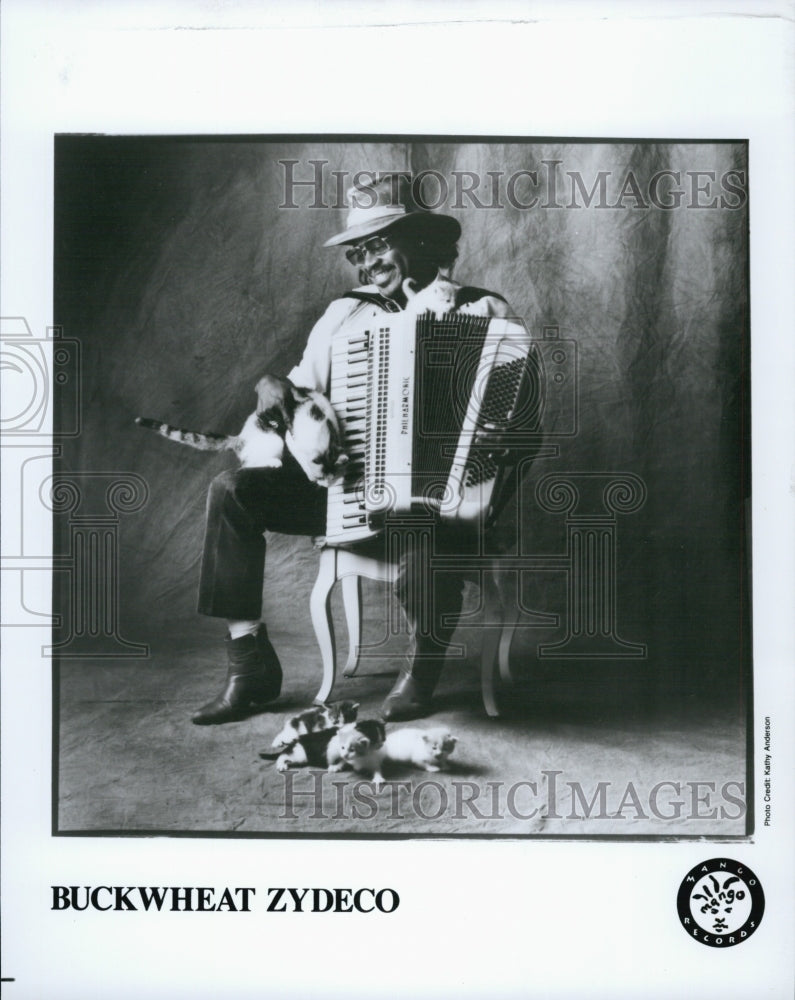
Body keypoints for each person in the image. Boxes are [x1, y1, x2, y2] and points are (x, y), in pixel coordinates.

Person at [192, 172, 516, 726]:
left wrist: (496, 440)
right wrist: (271, 384)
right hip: (344, 495)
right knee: (232, 491)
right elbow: (297, 392)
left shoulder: (481, 309)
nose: (366, 263)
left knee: (424, 526)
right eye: (357, 253)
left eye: (377, 245)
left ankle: (421, 669)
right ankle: (249, 666)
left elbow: (515, 413)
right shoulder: (344, 315)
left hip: (438, 502)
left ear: (420, 241)